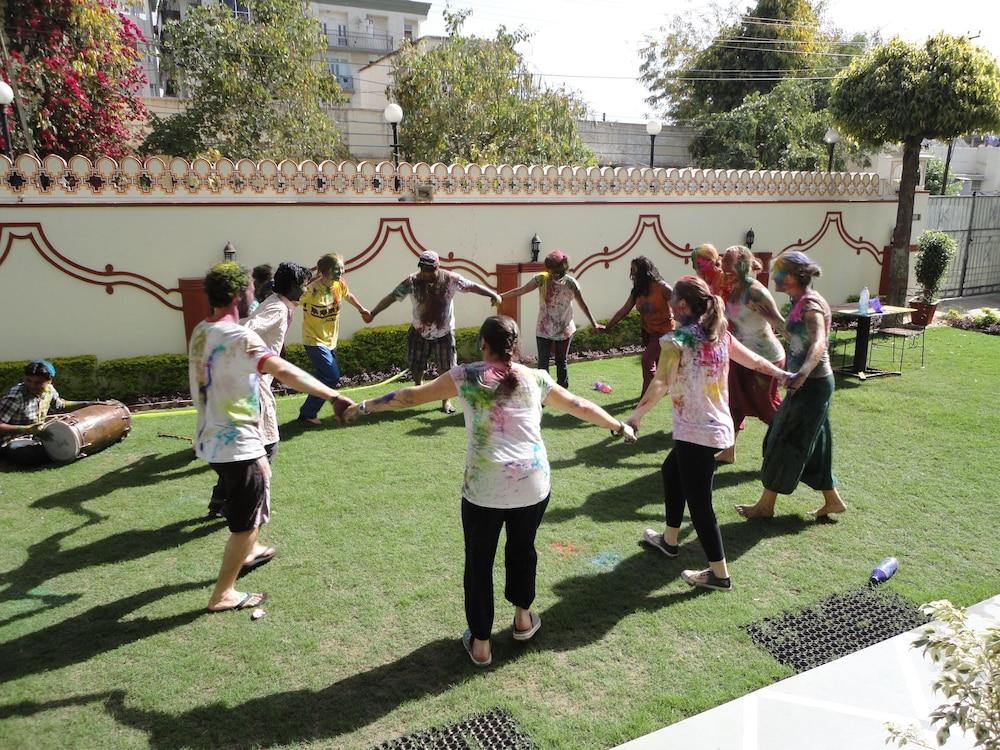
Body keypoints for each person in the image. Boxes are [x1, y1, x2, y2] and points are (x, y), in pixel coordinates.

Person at [344, 315, 636, 666]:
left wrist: (363, 405)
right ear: (515, 345)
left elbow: (408, 397)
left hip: (485, 489)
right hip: (532, 484)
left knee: (480, 562)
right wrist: (618, 425)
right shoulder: (536, 378)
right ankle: (523, 619)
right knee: (522, 549)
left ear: (484, 342)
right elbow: (580, 406)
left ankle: (481, 644)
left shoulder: (465, 376)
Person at [190, 262, 355, 613]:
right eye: (252, 288)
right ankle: (224, 593)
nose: (258, 292)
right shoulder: (242, 336)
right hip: (238, 444)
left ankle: (247, 545)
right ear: (239, 294)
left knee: (251, 491)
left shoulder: (202, 331)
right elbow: (283, 369)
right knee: (246, 518)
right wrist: (333, 395)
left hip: (210, 440)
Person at [626, 276, 793, 592]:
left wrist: (635, 417)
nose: (668, 305)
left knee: (700, 504)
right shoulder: (719, 336)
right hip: (711, 428)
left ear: (684, 305)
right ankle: (670, 541)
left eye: (672, 300)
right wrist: (782, 373)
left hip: (697, 432)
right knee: (670, 472)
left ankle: (719, 574)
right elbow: (757, 361)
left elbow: (661, 382)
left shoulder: (677, 341)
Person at [735, 252, 847, 520]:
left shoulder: (811, 306)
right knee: (816, 443)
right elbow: (797, 338)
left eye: (779, 272)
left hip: (812, 385)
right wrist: (773, 320)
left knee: (782, 438)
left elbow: (819, 342)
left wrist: (803, 374)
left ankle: (766, 505)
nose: (774, 276)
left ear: (795, 276)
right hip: (810, 384)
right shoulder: (799, 302)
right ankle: (832, 500)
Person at [206, 261, 311, 519]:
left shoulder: (278, 300)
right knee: (267, 445)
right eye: (303, 286)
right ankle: (240, 503)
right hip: (255, 381)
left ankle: (220, 501)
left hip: (251, 379)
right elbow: (247, 329)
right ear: (292, 287)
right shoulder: (276, 308)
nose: (306, 290)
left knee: (248, 445)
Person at [366, 250, 503, 413]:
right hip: (419, 331)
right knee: (416, 367)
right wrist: (373, 313)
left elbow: (472, 286)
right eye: (423, 269)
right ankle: (418, 389)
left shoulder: (450, 279)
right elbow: (392, 296)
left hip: (444, 332)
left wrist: (492, 294)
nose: (426, 274)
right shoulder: (412, 281)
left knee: (447, 369)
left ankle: (446, 402)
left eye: (430, 270)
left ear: (437, 267)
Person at [714, 245, 786, 464]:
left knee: (767, 409)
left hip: (764, 359)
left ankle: (787, 452)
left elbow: (781, 325)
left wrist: (808, 351)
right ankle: (728, 452)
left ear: (743, 264)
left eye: (728, 261)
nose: (723, 266)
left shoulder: (756, 291)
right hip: (741, 357)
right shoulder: (736, 288)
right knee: (733, 405)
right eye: (723, 261)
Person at [499, 249, 604, 388]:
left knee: (561, 361)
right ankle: (542, 394)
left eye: (552, 270)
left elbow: (583, 305)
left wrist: (594, 323)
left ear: (560, 269)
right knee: (543, 364)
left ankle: (562, 390)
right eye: (548, 270)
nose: (550, 273)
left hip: (564, 329)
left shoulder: (571, 284)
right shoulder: (541, 278)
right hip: (544, 329)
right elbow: (521, 290)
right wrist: (500, 296)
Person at [297, 253, 371, 425]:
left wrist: (362, 309)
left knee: (322, 378)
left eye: (342, 268)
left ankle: (307, 414)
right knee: (332, 376)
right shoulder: (311, 289)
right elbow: (293, 302)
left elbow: (348, 295)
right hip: (313, 340)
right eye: (337, 268)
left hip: (331, 340)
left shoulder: (339, 284)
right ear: (325, 271)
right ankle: (308, 412)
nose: (342, 271)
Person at [0, 360, 103, 466]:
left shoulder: (49, 390)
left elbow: (60, 404)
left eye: (38, 382)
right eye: (28, 380)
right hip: (12, 440)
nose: (32, 385)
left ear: (49, 381)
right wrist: (26, 429)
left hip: (37, 436)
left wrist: (86, 403)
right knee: (25, 455)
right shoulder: (16, 396)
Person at [603, 256, 674, 396]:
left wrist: (686, 329)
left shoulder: (663, 288)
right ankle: (662, 388)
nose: (631, 274)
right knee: (657, 361)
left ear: (644, 271)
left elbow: (679, 307)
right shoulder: (637, 290)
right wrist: (608, 327)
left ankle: (648, 393)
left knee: (647, 360)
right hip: (648, 331)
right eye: (631, 270)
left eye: (634, 270)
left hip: (664, 332)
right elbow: (624, 310)